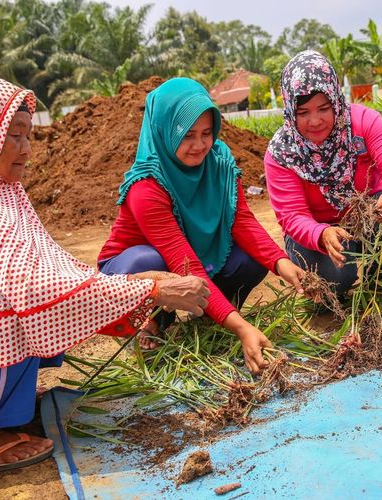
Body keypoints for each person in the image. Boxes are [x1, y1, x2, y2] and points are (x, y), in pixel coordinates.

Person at [0, 77, 209, 477]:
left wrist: (141, 287)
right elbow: (38, 288)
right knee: (19, 315)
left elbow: (53, 268)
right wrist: (154, 289)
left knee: (33, 312)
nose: (26, 148)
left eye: (27, 135)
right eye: (13, 136)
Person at [98, 77, 306, 374]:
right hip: (128, 271)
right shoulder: (147, 185)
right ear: (166, 131)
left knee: (249, 259)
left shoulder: (219, 161)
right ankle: (153, 321)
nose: (200, 146)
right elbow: (185, 267)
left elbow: (243, 222)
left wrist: (284, 265)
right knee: (151, 260)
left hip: (190, 260)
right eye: (187, 136)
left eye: (207, 134)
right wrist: (242, 329)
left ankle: (211, 315)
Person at [265, 51, 382, 295]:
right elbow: (292, 216)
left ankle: (378, 280)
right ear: (290, 111)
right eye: (303, 112)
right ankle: (335, 289)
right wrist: (321, 233)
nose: (315, 120)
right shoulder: (282, 152)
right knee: (337, 278)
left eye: (324, 108)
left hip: (366, 219)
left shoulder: (364, 122)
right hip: (314, 237)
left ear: (336, 101)